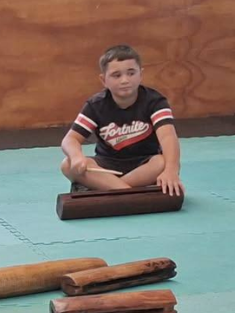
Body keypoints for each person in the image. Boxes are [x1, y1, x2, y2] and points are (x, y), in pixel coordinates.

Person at [59, 45, 183, 198]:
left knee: (161, 162)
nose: (125, 80)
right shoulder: (96, 105)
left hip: (143, 164)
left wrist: (171, 170)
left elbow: (168, 136)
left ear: (140, 74)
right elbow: (70, 139)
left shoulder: (155, 102)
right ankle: (129, 193)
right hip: (106, 165)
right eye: (116, 75)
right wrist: (77, 156)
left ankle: (107, 188)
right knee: (67, 164)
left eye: (131, 73)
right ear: (103, 80)